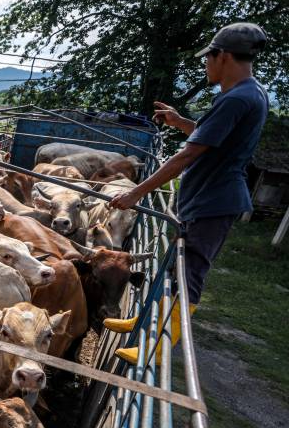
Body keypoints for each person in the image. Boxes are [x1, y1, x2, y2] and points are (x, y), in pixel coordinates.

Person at [104, 22, 269, 364]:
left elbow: (189, 153)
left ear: (222, 56)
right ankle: (148, 321)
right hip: (207, 198)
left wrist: (136, 193)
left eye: (207, 58)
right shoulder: (245, 94)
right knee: (172, 269)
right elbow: (209, 137)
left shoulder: (238, 98)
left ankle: (160, 349)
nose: (205, 65)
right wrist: (181, 123)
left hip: (214, 200)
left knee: (188, 273)